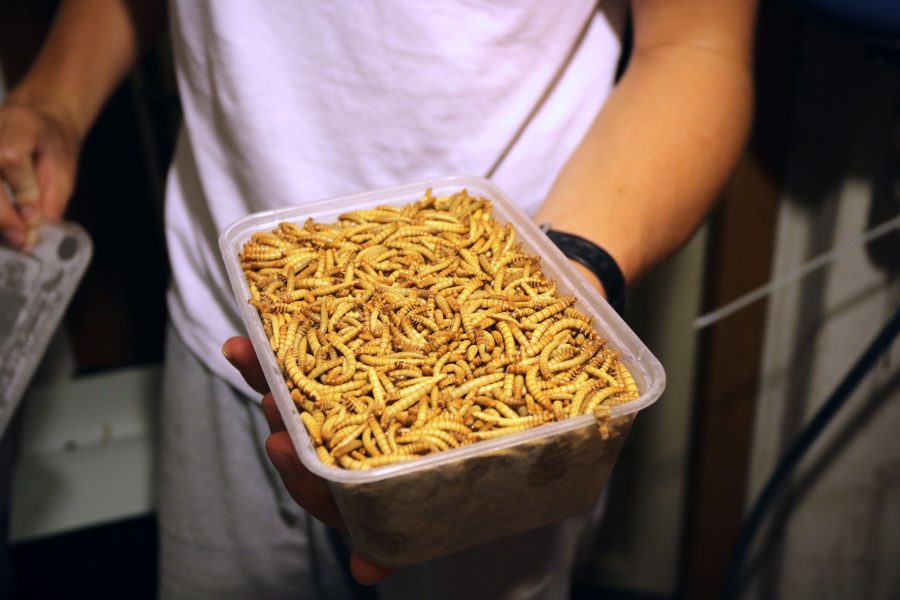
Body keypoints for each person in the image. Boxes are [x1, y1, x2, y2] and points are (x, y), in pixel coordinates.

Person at [0, 1, 756, 598]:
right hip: (226, 307)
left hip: (516, 378)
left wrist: (570, 276)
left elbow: (693, 44)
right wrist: (57, 95)